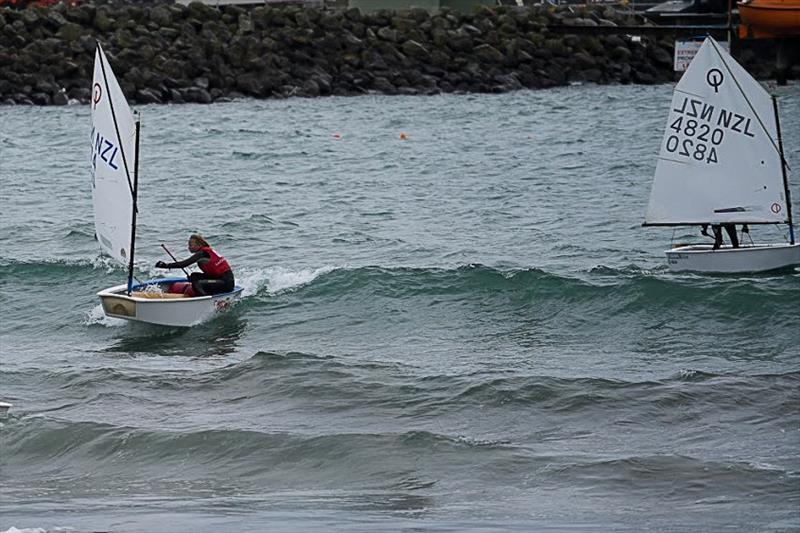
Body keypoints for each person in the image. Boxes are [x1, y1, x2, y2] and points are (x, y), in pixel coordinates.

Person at [155, 234, 234, 297]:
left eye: (191, 245)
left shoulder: (203, 253)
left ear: (199, 245)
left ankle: (204, 300)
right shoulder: (205, 251)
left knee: (197, 283)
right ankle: (204, 292)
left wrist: (165, 265)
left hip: (226, 283)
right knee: (194, 276)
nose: (188, 247)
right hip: (218, 278)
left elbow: (184, 264)